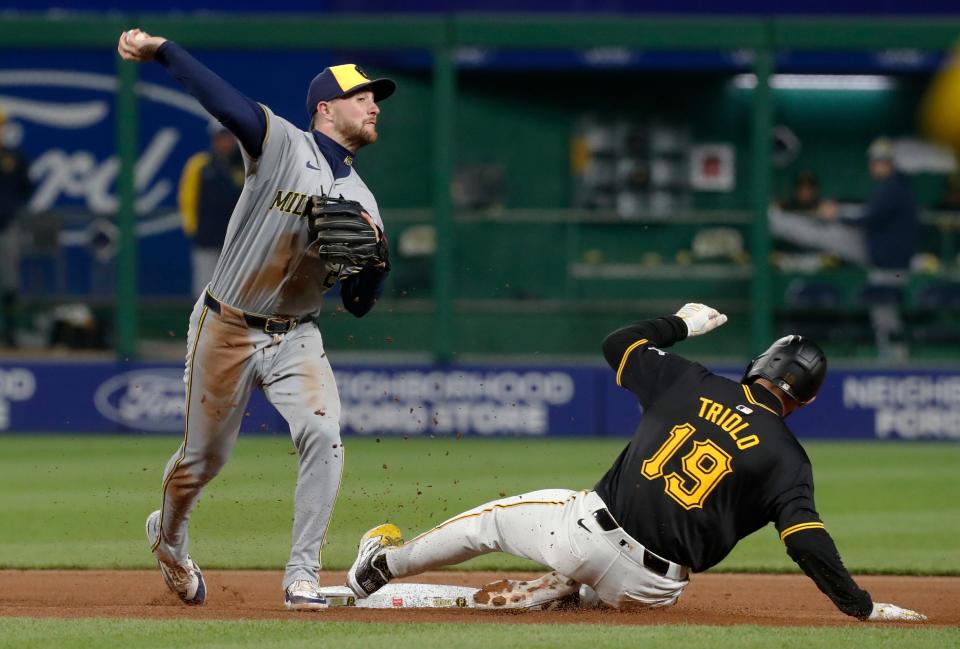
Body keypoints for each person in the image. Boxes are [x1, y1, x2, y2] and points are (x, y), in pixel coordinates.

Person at [345, 303, 925, 623]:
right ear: (808, 400)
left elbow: (618, 343)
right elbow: (808, 543)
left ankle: (380, 568)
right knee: (593, 589)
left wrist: (681, 325)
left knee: (489, 524)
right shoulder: (788, 459)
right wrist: (862, 608)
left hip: (584, 535)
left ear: (758, 366)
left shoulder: (690, 379)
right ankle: (567, 592)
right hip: (651, 588)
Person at [117, 28, 395, 610]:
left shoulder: (365, 202)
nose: (373, 105)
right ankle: (168, 541)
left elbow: (358, 305)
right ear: (326, 107)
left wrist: (377, 262)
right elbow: (223, 101)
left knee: (323, 434)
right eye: (361, 96)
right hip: (227, 323)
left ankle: (302, 575)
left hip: (297, 334)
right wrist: (164, 51)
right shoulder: (282, 145)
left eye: (376, 97)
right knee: (203, 460)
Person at [178, 121, 245, 297]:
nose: (224, 143)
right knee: (204, 289)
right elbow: (187, 198)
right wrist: (193, 227)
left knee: (236, 292)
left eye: (228, 138)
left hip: (238, 240)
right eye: (219, 138)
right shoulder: (199, 164)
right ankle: (202, 324)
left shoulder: (246, 164)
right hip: (207, 238)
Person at [0, 109, 34, 348]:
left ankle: (10, 333)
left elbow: (27, 187)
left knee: (9, 283)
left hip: (7, 225)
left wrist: (13, 209)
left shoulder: (14, 156)